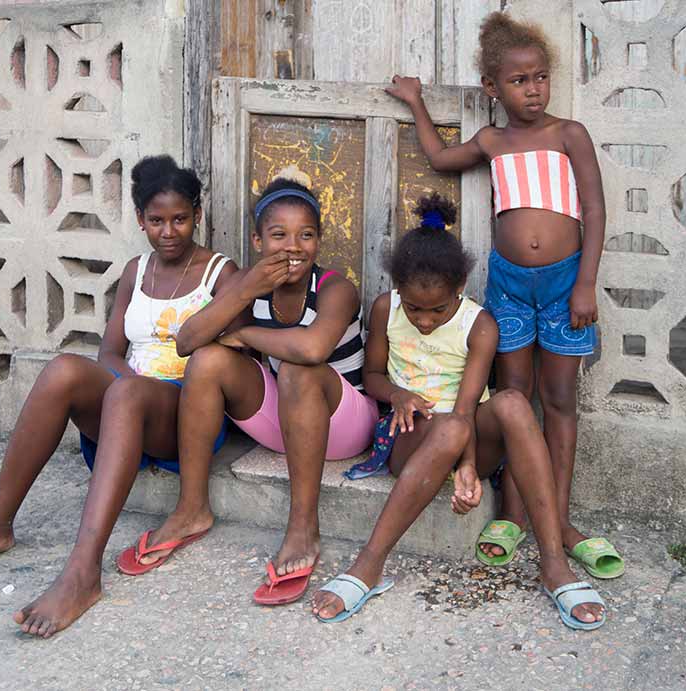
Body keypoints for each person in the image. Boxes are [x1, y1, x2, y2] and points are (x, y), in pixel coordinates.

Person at [0, 155, 237, 637]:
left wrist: (133, 393)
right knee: (62, 371)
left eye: (180, 219)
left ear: (197, 215)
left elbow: (231, 357)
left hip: (182, 411)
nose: (168, 231)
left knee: (130, 394)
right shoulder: (136, 271)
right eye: (156, 221)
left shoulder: (219, 272)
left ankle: (82, 574)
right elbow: (111, 352)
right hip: (130, 401)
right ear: (140, 220)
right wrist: (124, 390)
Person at [385, 12, 624, 580]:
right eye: (519, 81)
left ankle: (559, 521)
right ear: (493, 88)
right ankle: (515, 516)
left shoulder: (569, 134)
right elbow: (440, 160)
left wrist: (587, 282)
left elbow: (593, 208)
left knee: (561, 400)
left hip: (567, 282)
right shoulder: (493, 141)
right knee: (516, 396)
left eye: (541, 77)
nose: (534, 89)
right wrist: (416, 102)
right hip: (511, 286)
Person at [311, 195, 606, 629]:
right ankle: (368, 567)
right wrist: (397, 395)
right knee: (446, 430)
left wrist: (468, 468)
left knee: (510, 402)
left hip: (464, 432)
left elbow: (467, 410)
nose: (425, 321)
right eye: (414, 309)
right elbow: (371, 374)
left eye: (437, 309)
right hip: (410, 439)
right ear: (397, 291)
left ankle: (553, 564)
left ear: (460, 288)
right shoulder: (384, 309)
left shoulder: (479, 325)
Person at [115, 174, 378, 606]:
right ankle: (191, 509)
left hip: (344, 424)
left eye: (306, 235)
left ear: (319, 241)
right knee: (207, 359)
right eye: (279, 235)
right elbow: (186, 342)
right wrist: (242, 294)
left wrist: (248, 336)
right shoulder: (252, 288)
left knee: (296, 368)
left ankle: (302, 527)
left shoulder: (335, 287)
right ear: (257, 241)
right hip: (288, 423)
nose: (293, 246)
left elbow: (312, 348)